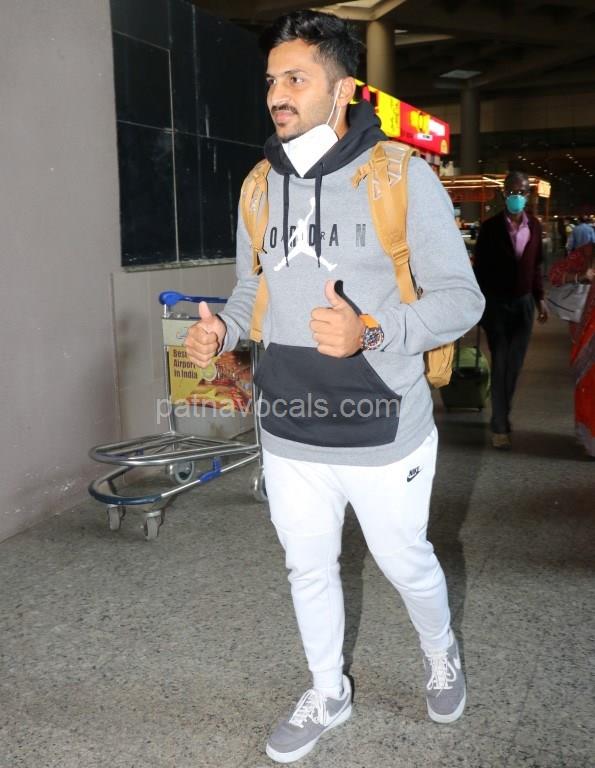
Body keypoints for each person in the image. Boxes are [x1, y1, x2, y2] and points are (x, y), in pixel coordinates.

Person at [184, 10, 484, 764]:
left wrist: (371, 332)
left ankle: (440, 652)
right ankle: (328, 690)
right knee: (307, 566)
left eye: (296, 79)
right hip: (289, 425)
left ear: (343, 89)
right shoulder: (259, 185)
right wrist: (222, 330)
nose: (276, 95)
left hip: (384, 428)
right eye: (271, 81)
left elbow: (461, 299)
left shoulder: (401, 176)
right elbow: (250, 289)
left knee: (405, 561)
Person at [473, 171, 549, 450]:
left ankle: (502, 414)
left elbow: (536, 266)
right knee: (501, 362)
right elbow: (479, 270)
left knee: (514, 366)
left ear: (528, 195)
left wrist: (540, 299)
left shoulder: (535, 227)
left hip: (524, 304)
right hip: (497, 304)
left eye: (522, 191)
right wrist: (478, 305)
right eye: (512, 191)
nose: (517, 196)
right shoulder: (490, 227)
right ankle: (500, 424)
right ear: (504, 193)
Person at [549, 243, 595, 457]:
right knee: (589, 382)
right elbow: (555, 274)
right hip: (589, 329)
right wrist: (580, 276)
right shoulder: (588, 253)